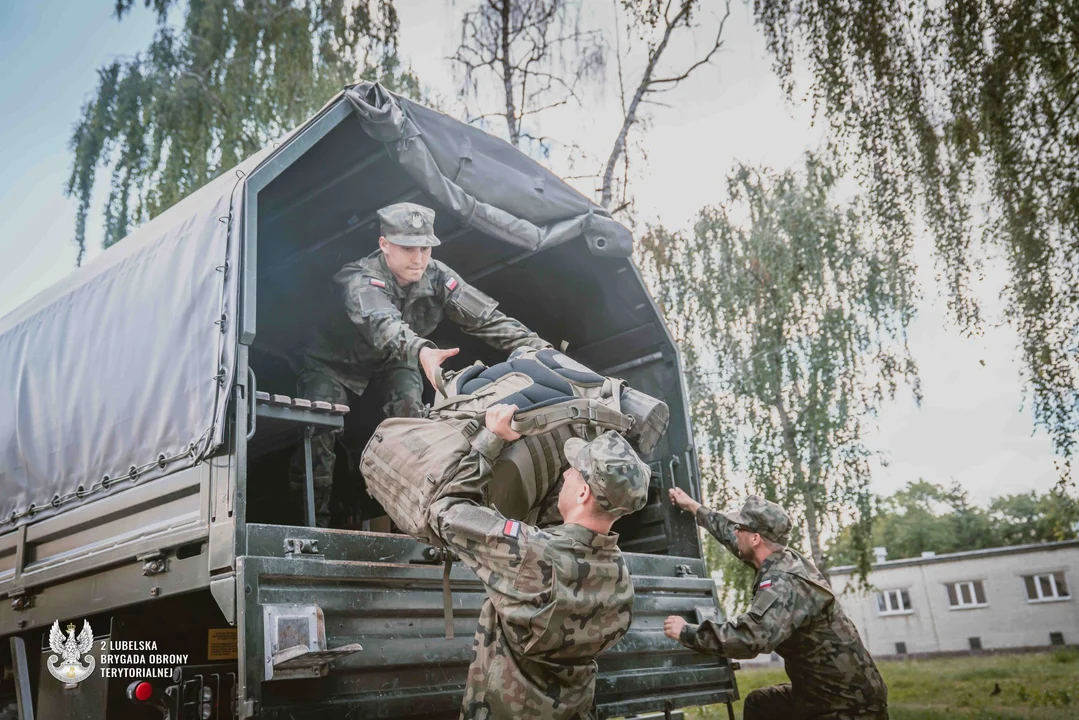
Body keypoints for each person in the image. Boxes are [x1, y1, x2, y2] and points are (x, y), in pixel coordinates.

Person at [290, 202, 550, 526]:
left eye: (425, 248)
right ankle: (312, 528)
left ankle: (415, 520)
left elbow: (488, 321)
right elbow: (383, 325)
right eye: (408, 248)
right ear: (384, 246)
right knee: (318, 436)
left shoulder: (438, 276)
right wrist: (422, 350)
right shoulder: (359, 278)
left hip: (395, 359)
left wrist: (541, 349)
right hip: (333, 363)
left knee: (414, 423)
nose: (419, 258)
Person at [427, 405, 650, 719]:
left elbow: (444, 509)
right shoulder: (622, 579)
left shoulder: (530, 550)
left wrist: (491, 439)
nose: (565, 474)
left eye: (573, 469)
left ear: (584, 492)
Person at [664, 490, 889, 720]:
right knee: (760, 705)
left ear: (755, 538)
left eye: (740, 528)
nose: (735, 532)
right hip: (824, 695)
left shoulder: (784, 582)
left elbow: (751, 638)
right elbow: (731, 536)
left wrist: (686, 632)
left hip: (848, 706)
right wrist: (693, 507)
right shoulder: (782, 558)